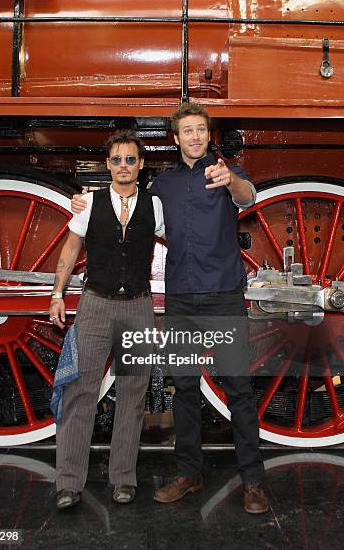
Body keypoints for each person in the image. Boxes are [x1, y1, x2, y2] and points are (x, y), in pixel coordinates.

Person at [72, 103, 268, 514]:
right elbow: (127, 201)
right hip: (181, 297)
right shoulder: (162, 187)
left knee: (238, 389)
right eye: (187, 131)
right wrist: (85, 203)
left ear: (208, 136)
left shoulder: (226, 174)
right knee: (184, 387)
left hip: (223, 295)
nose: (195, 137)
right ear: (176, 139)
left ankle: (253, 481)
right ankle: (189, 473)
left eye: (201, 130)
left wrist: (231, 178)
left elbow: (248, 197)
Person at [50, 131, 165, 509]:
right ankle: (68, 483)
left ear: (141, 165)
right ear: (108, 165)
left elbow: (183, 242)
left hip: (138, 306)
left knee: (132, 396)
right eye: (117, 160)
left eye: (130, 160)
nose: (123, 167)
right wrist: (56, 295)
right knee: (79, 393)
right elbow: (69, 252)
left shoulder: (155, 206)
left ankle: (123, 479)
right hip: (95, 305)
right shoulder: (89, 204)